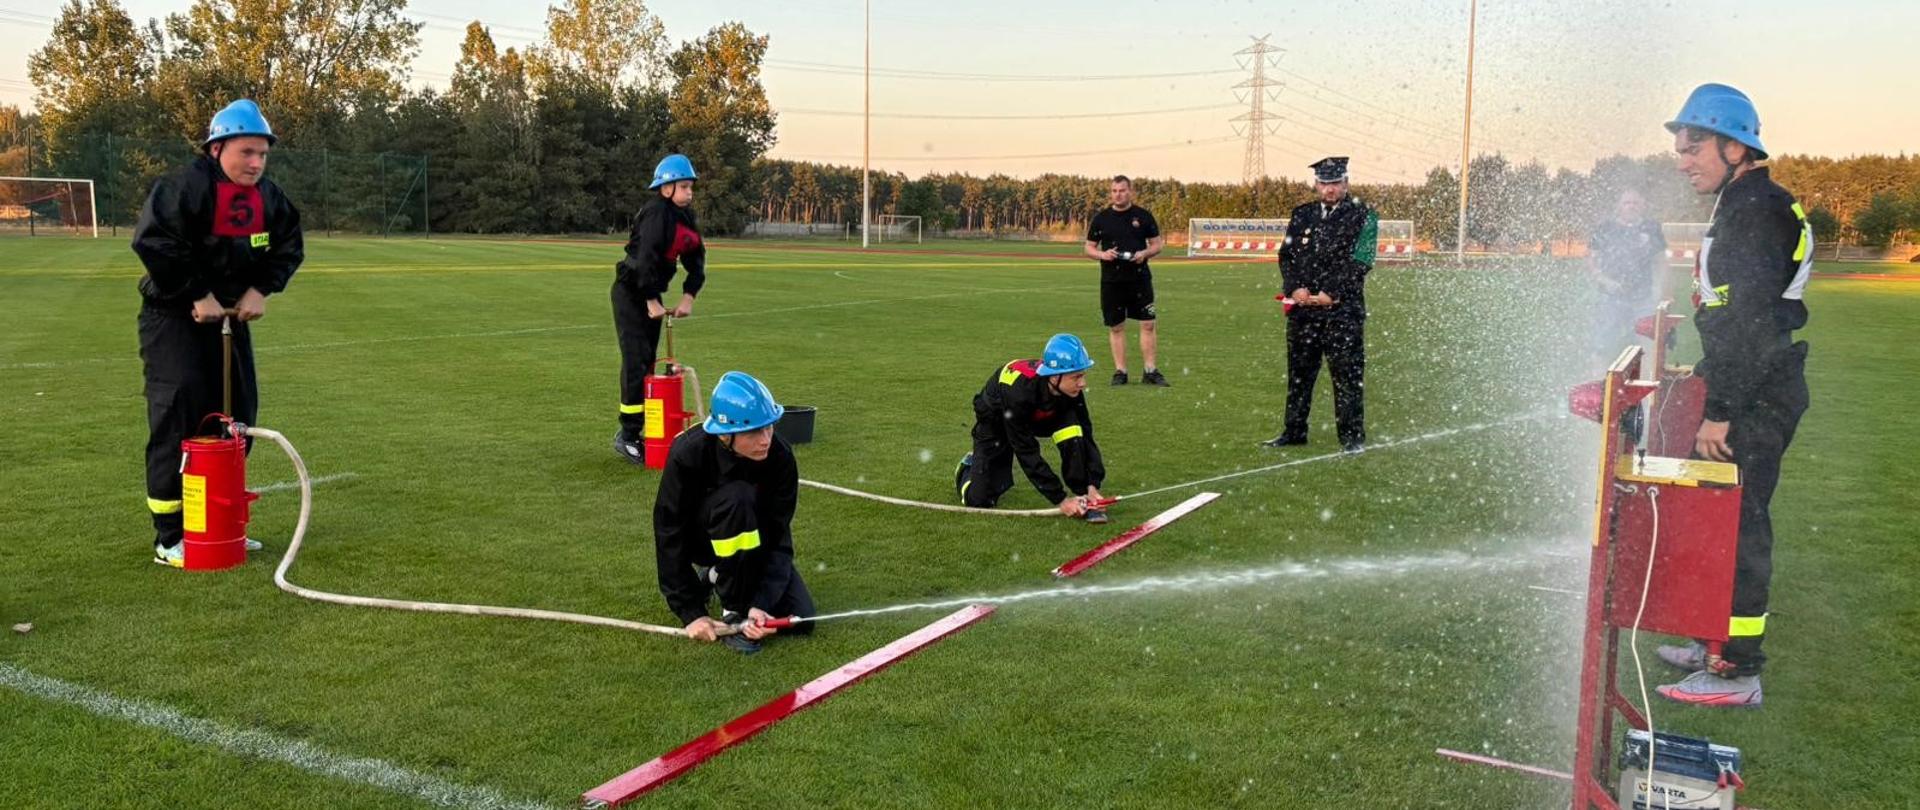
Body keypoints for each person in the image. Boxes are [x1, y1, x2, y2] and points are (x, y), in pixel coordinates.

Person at [1653, 84, 1812, 707]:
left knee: (1742, 525)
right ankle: (1712, 640)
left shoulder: (1757, 211)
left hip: (1756, 397)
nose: (1683, 161)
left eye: (1693, 147)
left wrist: (1719, 410)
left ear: (1735, 148)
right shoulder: (1742, 203)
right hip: (1747, 385)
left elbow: (1750, 324)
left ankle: (1739, 670)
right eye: (1680, 150)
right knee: (1718, 519)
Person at [131, 99, 304, 568]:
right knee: (180, 418)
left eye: (263, 154)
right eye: (246, 152)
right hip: (174, 319)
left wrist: (260, 289)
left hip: (229, 321)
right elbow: (154, 241)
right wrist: (196, 293)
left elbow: (289, 244)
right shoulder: (183, 188)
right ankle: (171, 537)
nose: (256, 163)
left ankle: (220, 522)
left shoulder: (269, 198)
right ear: (216, 148)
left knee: (236, 419)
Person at [654, 371, 814, 654]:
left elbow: (778, 535)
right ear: (725, 434)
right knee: (738, 499)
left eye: (769, 427)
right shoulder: (688, 454)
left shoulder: (781, 457)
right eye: (754, 432)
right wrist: (691, 612)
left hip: (753, 544)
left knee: (801, 617)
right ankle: (733, 610)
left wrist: (761, 604)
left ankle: (717, 576)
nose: (765, 440)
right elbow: (669, 532)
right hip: (701, 541)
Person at [1264, 156, 1376, 453]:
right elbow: (1287, 256)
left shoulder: (1363, 215)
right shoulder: (1302, 214)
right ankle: (1294, 431)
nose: (1330, 189)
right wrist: (1295, 287)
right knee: (1299, 375)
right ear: (1316, 184)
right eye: (1324, 183)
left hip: (1343, 311)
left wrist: (1331, 292)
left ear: (1346, 183)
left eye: (1335, 182)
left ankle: (1352, 439)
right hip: (1304, 312)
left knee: (1347, 376)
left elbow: (1361, 261)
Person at [954, 334, 1110, 523]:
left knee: (1074, 431)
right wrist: (1060, 500)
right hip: (995, 419)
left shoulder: (1069, 389)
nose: (1083, 383)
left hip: (1036, 414)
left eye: (1083, 375)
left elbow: (1087, 435)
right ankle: (968, 466)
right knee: (979, 500)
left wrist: (1093, 484)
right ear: (1055, 376)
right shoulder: (1019, 393)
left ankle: (1083, 494)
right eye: (1076, 377)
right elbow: (1026, 451)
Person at [612, 154, 706, 464]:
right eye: (684, 186)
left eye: (690, 187)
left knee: (649, 363)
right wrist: (651, 299)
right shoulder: (656, 213)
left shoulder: (685, 216)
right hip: (631, 293)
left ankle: (651, 429)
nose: (689, 192)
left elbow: (696, 257)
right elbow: (645, 260)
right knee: (636, 360)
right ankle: (628, 436)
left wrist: (689, 296)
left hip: (650, 294)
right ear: (666, 188)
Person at [1083, 175, 1168, 386]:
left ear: (1130, 192)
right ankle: (1120, 372)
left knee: (1148, 324)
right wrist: (1103, 255)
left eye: (1122, 190)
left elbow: (1157, 244)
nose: (1118, 195)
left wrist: (1144, 253)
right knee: (1116, 326)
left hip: (1139, 279)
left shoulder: (1143, 216)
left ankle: (1150, 370)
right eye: (1114, 191)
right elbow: (1088, 247)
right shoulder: (1101, 218)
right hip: (1112, 281)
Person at [1586, 189, 1668, 364]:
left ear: (1643, 206)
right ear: (1619, 206)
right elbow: (1592, 259)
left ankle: (1647, 378)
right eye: (1627, 203)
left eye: (1635, 203)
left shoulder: (1651, 228)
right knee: (1602, 343)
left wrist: (1660, 288)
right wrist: (1604, 280)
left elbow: (1660, 261)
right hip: (1611, 296)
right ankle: (1597, 377)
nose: (1631, 206)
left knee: (1648, 341)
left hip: (1643, 296)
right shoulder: (1605, 228)